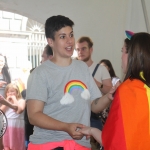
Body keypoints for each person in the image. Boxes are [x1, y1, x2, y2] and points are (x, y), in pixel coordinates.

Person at [26, 15, 115, 150]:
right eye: (63, 37)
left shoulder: (82, 68)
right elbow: (34, 115)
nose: (70, 41)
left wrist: (108, 97)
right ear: (50, 41)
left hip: (80, 145)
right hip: (49, 144)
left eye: (71, 35)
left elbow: (94, 105)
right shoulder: (40, 73)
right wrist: (65, 127)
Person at [80, 32, 150, 149]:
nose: (121, 56)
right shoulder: (144, 86)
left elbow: (112, 140)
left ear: (131, 55)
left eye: (122, 51)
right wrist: (91, 130)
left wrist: (91, 130)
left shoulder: (128, 90)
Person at [76, 37, 112, 150]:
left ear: (91, 50)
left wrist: (97, 84)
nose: (80, 52)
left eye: (83, 49)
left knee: (97, 145)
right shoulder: (73, 68)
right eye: (78, 49)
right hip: (78, 115)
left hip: (94, 115)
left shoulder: (101, 69)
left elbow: (109, 91)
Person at [0, 83, 26, 150]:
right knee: (6, 145)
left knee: (16, 145)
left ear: (17, 93)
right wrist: (7, 102)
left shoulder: (21, 101)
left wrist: (14, 100)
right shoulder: (6, 103)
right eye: (8, 92)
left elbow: (19, 110)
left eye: (12, 91)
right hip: (7, 126)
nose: (10, 93)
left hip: (17, 126)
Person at [99, 59, 121, 126]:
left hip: (111, 108)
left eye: (104, 66)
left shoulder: (115, 80)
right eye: (100, 67)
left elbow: (119, 95)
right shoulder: (98, 81)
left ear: (109, 68)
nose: (102, 69)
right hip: (101, 108)